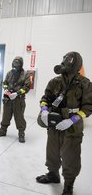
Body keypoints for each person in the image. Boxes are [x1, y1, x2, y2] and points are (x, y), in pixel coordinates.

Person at [36, 52, 92, 195]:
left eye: (68, 60)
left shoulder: (85, 84)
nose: (64, 63)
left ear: (76, 64)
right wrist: (44, 110)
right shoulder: (55, 81)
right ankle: (53, 175)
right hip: (54, 123)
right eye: (64, 59)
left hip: (72, 127)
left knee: (70, 156)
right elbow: (45, 98)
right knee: (52, 152)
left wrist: (72, 120)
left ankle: (68, 186)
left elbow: (88, 107)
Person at [0, 56, 31, 143]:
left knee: (19, 117)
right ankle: (3, 131)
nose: (15, 64)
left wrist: (17, 93)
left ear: (21, 64)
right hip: (8, 99)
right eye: (14, 62)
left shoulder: (26, 74)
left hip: (18, 100)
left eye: (17, 62)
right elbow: (5, 83)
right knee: (6, 116)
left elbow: (27, 87)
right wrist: (6, 89)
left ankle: (21, 133)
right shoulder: (9, 73)